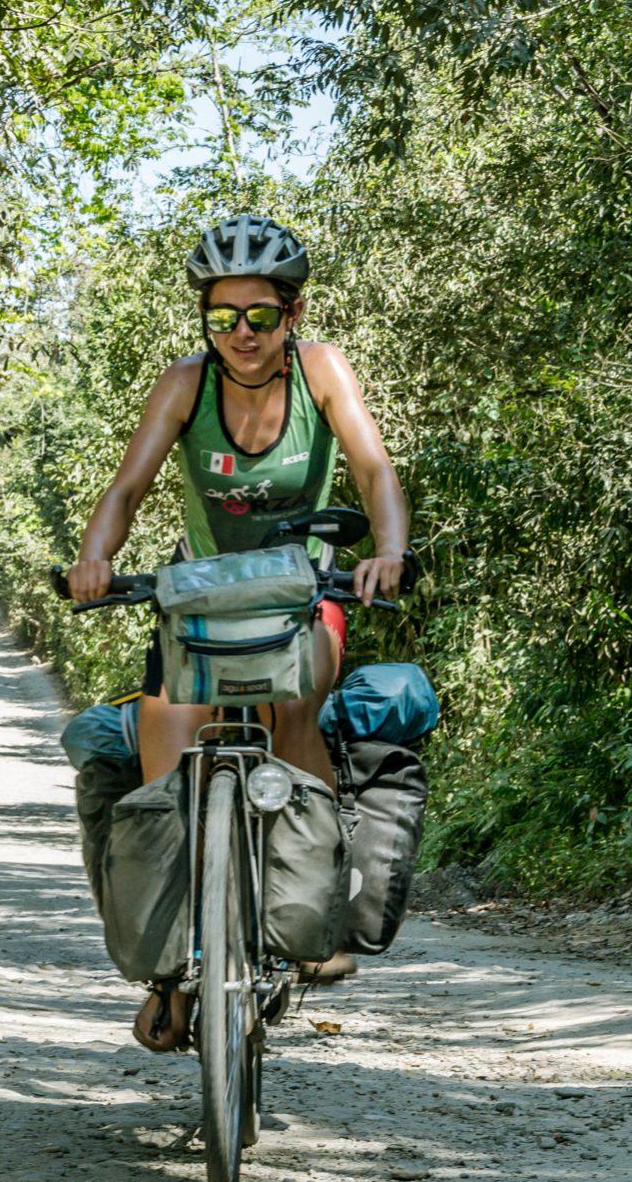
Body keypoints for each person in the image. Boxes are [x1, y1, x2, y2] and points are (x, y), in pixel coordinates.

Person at [66, 214, 410, 1052]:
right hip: (202, 594)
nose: (242, 335)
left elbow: (371, 468)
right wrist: (94, 556)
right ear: (204, 320)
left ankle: (309, 916)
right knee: (163, 756)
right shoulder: (185, 384)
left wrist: (388, 550)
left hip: (303, 590)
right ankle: (169, 974)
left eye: (259, 316)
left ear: (291, 315)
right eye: (223, 318)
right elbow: (128, 486)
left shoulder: (322, 371)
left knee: (298, 708)